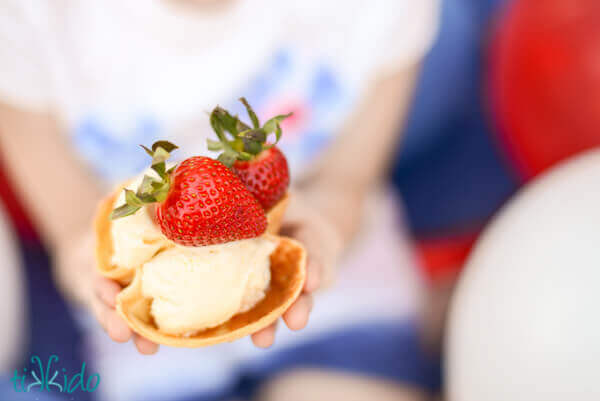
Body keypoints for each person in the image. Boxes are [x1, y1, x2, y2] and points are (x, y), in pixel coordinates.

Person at [0, 1, 440, 400]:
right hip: (149, 340)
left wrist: (320, 227)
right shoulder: (28, 22)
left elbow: (346, 183)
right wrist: (90, 269)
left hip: (343, 294)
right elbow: (77, 230)